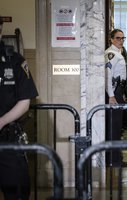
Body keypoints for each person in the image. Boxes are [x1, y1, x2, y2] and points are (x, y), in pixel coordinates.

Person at [0, 16, 38, 200]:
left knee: (17, 193)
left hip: (7, 139)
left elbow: (24, 103)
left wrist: (1, 121)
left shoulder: (14, 60)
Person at [105, 29, 127, 167]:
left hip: (119, 90)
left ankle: (115, 157)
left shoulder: (117, 53)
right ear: (111, 39)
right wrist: (111, 95)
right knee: (114, 126)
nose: (121, 41)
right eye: (118, 38)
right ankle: (113, 159)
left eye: (122, 38)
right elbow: (108, 76)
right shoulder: (111, 54)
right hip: (114, 92)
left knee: (117, 125)